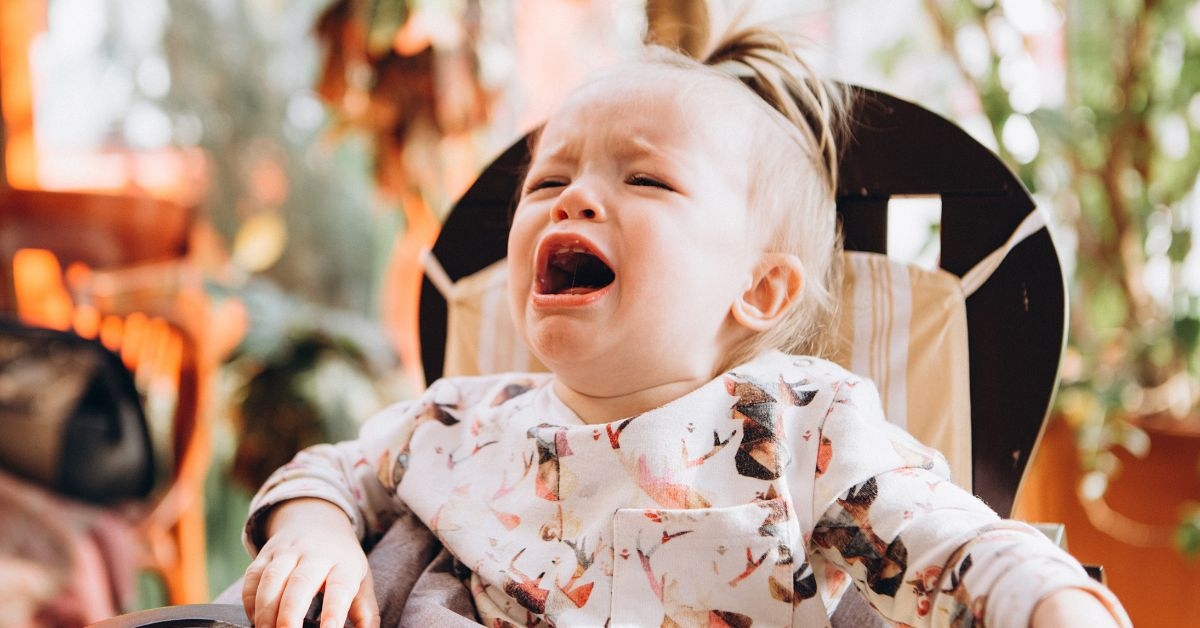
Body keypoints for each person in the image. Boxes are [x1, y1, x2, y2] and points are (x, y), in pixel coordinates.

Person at [240, 24, 1131, 628]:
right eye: (548, 184)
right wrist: (314, 529)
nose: (575, 198)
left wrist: (1049, 603)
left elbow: (944, 539)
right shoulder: (465, 419)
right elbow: (339, 469)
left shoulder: (800, 423)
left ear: (761, 289)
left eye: (648, 181)